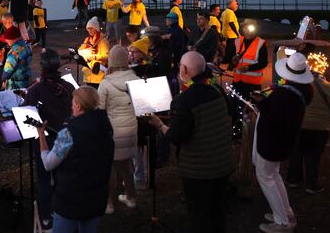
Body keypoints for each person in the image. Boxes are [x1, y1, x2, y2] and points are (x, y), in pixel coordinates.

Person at [147, 51, 235, 233]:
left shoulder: (185, 100)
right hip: (222, 163)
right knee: (217, 212)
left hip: (199, 170)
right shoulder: (216, 90)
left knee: (200, 216)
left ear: (185, 70)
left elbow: (177, 136)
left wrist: (160, 125)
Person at [36, 87, 114, 233]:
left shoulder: (68, 133)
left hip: (70, 199)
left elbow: (48, 164)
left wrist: (41, 136)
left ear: (78, 105)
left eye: (73, 102)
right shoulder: (106, 127)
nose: (71, 105)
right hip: (96, 196)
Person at [254, 52, 314, 232]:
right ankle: (285, 212)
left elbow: (272, 116)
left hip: (271, 144)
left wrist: (261, 103)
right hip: (284, 142)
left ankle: (282, 222)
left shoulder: (283, 95)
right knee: (274, 175)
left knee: (266, 177)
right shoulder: (303, 91)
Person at [22, 49, 75, 232]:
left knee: (44, 179)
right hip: (67, 138)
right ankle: (65, 213)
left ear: (42, 67)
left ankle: (46, 218)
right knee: (64, 176)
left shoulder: (36, 89)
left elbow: (26, 112)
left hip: (44, 139)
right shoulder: (68, 87)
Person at [286, 60, 330, 194]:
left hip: (298, 124)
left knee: (296, 153)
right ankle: (311, 184)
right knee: (313, 155)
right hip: (319, 127)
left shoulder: (296, 84)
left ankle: (292, 179)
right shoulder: (324, 84)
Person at [97, 46, 139, 214]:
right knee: (127, 165)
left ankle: (109, 204)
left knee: (110, 168)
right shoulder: (135, 79)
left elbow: (99, 109)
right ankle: (131, 198)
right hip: (130, 128)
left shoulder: (106, 83)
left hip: (112, 130)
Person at [231, 20, 268, 100]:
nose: (248, 30)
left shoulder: (260, 43)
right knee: (235, 106)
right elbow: (231, 63)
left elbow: (264, 63)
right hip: (237, 82)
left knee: (252, 108)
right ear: (243, 28)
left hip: (253, 85)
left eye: (251, 27)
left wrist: (249, 68)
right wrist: (233, 62)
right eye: (246, 27)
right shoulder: (237, 41)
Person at [77, 17, 109, 88]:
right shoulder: (87, 40)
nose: (89, 30)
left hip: (99, 75)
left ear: (96, 28)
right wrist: (87, 51)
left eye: (91, 28)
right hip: (88, 75)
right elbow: (79, 51)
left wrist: (94, 57)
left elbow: (106, 57)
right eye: (88, 28)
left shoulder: (102, 41)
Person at [220, 0, 240, 64]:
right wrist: (237, 33)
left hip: (227, 34)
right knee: (231, 49)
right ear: (230, 4)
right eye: (236, 4)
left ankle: (227, 60)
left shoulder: (225, 12)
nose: (237, 5)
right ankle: (227, 61)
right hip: (230, 34)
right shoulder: (230, 12)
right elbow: (231, 23)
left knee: (229, 49)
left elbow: (222, 22)